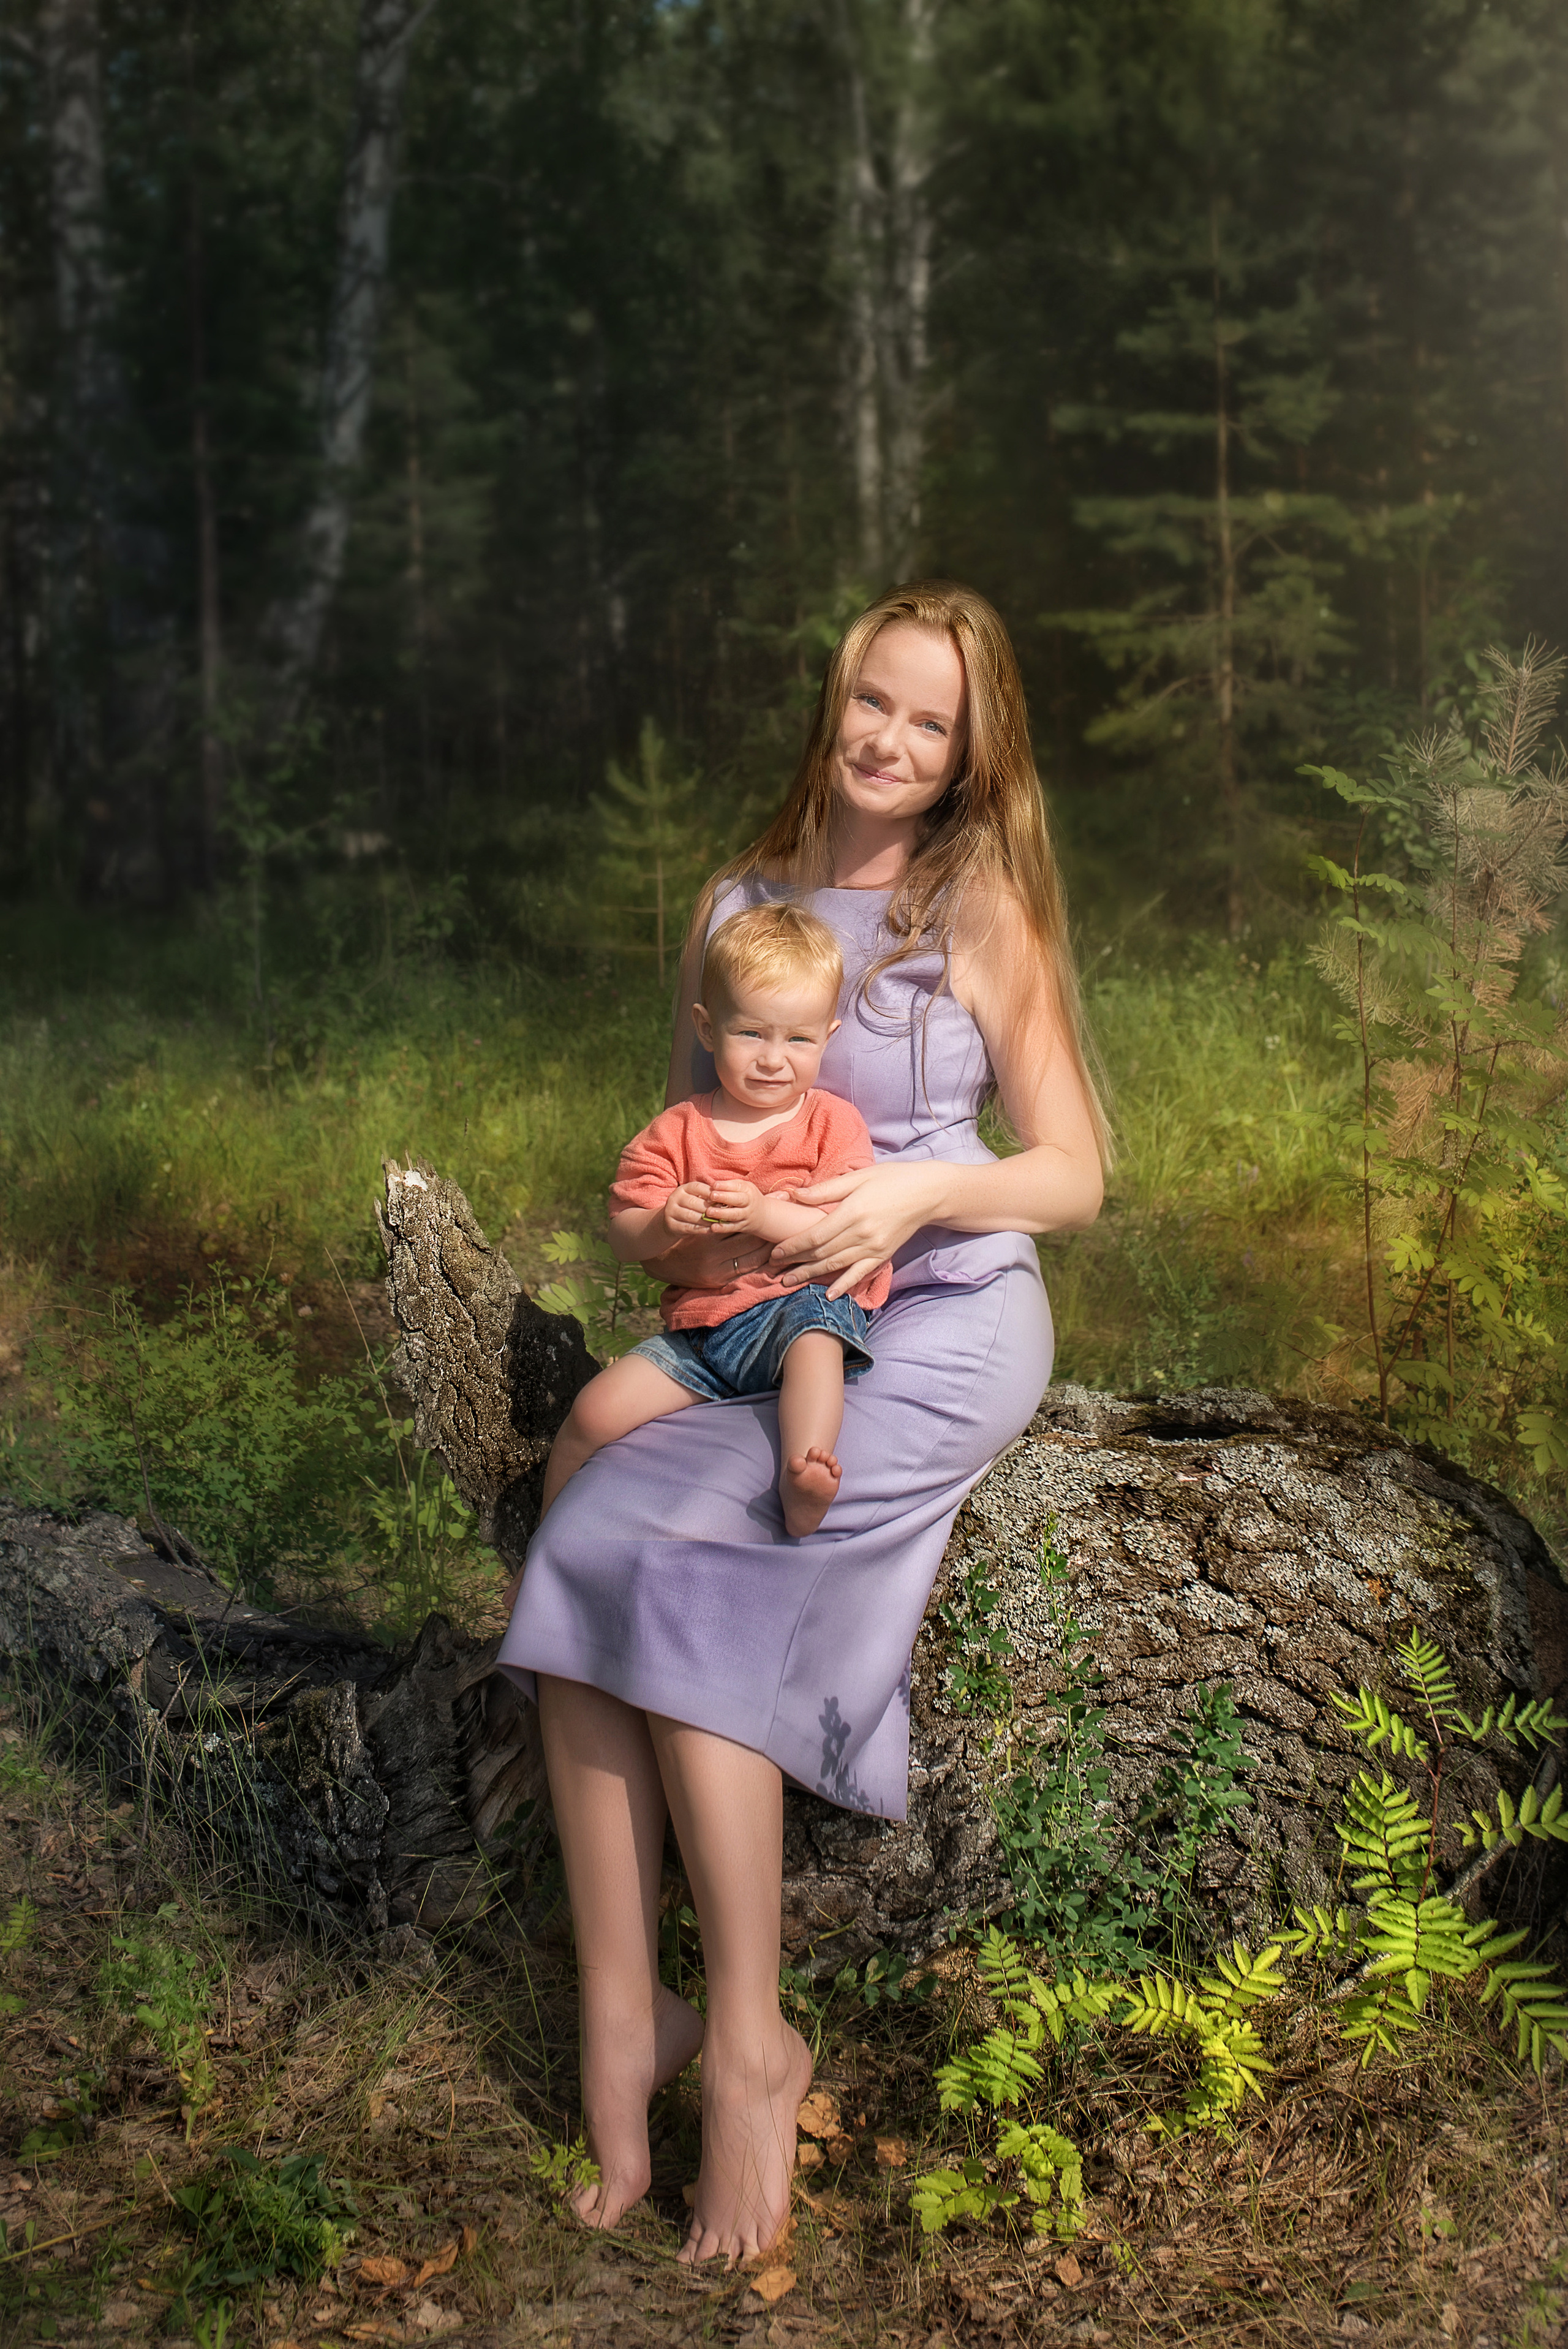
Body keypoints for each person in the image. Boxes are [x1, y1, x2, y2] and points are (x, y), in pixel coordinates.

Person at [497, 580, 1107, 2268]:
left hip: (946, 1322)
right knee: (587, 1524)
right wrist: (696, 1244)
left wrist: (914, 1188)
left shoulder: (971, 907)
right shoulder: (740, 901)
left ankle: (757, 2042)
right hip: (765, 1325)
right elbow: (690, 1138)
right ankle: (631, 2014)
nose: (894, 744)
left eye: (934, 723)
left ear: (975, 754)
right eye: (875, 704)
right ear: (832, 699)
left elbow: (1073, 1169)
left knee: (702, 1563)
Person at [538, 901, 893, 1537]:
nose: (773, 1059)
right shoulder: (678, 1131)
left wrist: (762, 1213)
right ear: (706, 1028)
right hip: (706, 1332)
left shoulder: (830, 1124)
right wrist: (663, 1223)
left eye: (798, 1039)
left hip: (797, 1303)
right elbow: (623, 1234)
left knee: (817, 1343)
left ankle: (801, 1472)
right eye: (751, 1033)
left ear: (828, 1038)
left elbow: (839, 1228)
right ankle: (541, 1542)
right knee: (593, 1412)